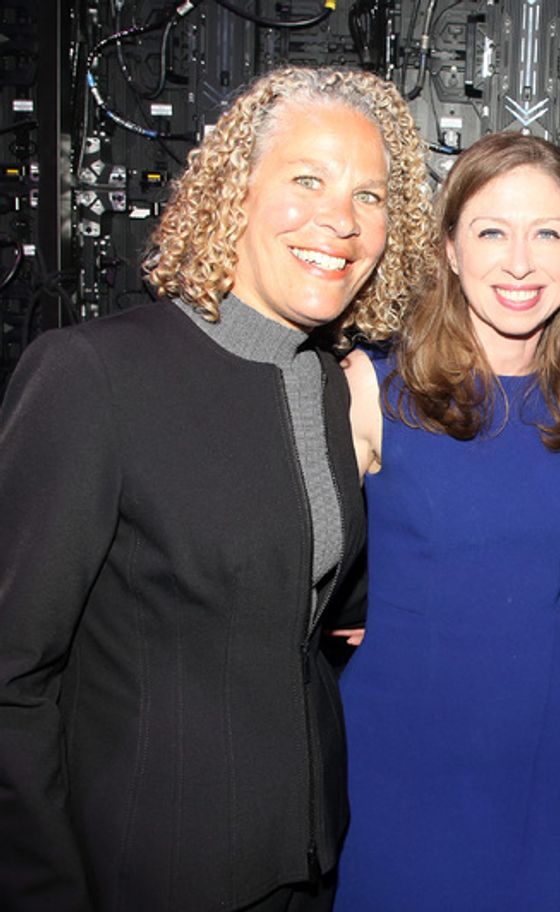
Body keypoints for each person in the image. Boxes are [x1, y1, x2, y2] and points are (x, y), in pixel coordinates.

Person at [0, 66, 433, 912]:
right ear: (236, 190)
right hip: (146, 873)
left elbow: (301, 614)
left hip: (305, 859)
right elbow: (11, 675)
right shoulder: (94, 375)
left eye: (370, 196)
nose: (341, 221)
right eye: (307, 180)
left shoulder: (322, 385)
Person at [333, 132, 560, 912]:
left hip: (546, 734)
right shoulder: (368, 387)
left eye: (547, 233)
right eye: (491, 232)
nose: (520, 262)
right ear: (448, 247)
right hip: (400, 742)